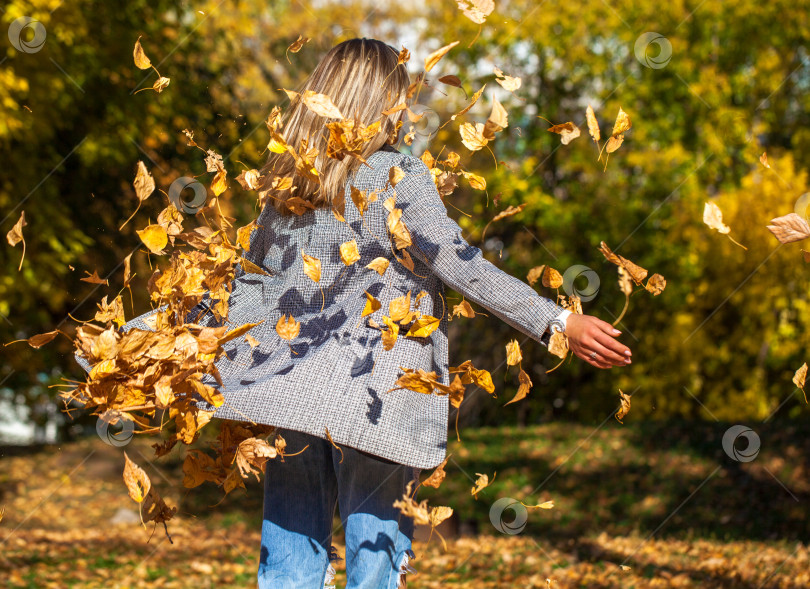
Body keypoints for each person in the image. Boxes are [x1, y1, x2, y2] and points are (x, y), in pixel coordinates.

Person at [86, 37, 632, 589]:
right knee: (375, 568)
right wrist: (558, 321)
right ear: (382, 101)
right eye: (400, 96)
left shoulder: (288, 181)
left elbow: (245, 288)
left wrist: (134, 340)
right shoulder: (398, 176)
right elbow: (463, 267)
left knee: (288, 566)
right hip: (380, 399)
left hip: (291, 398)